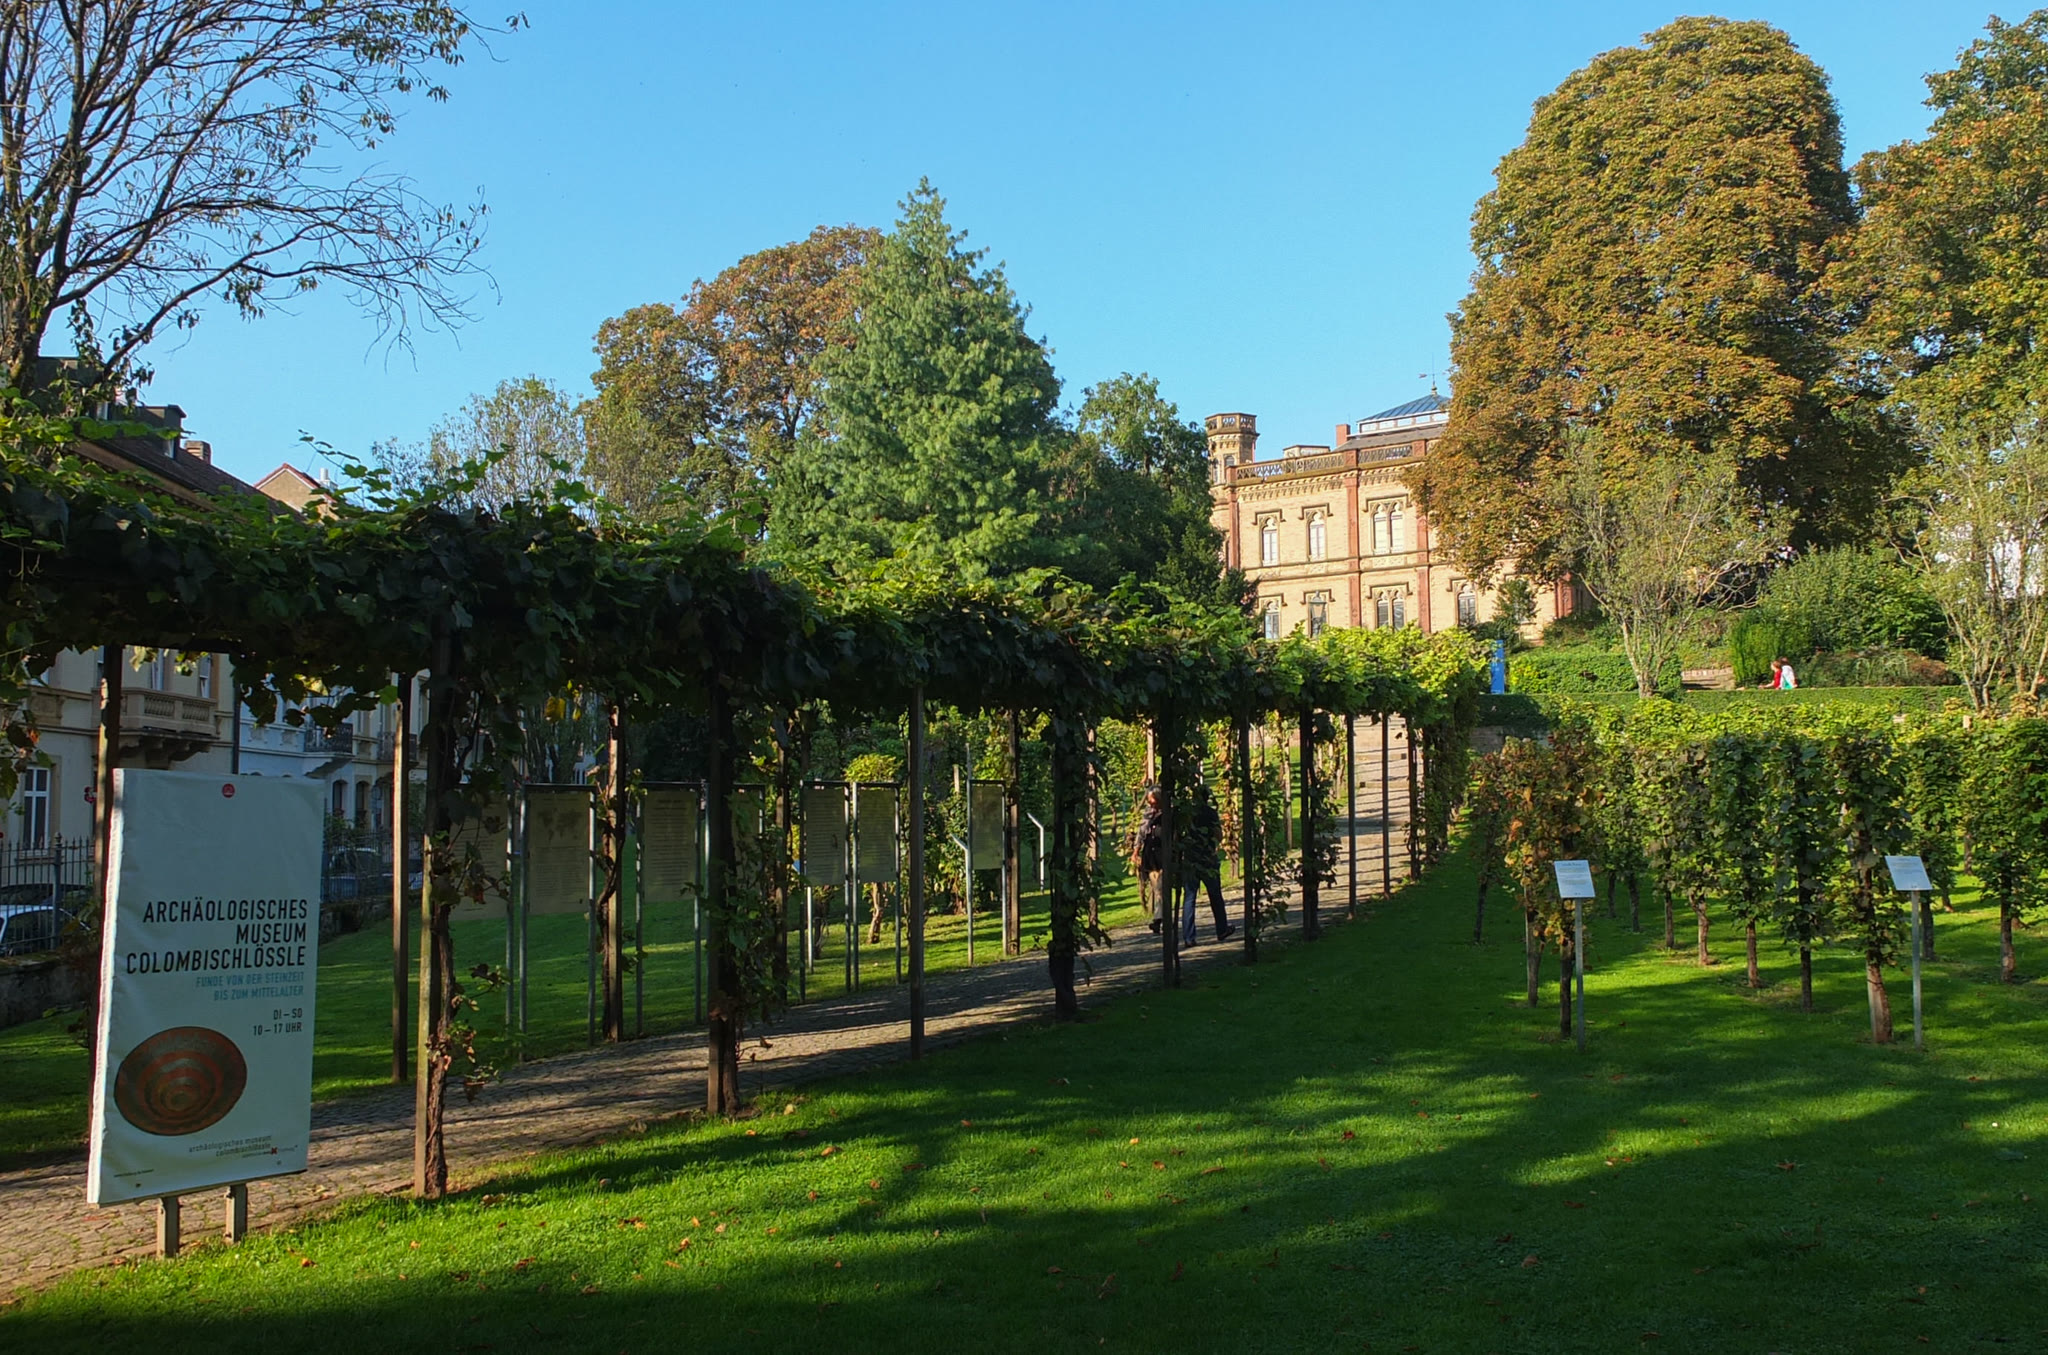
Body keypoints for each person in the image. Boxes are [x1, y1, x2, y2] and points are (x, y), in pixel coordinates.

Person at [1179, 784, 1236, 947]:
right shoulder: (1210, 813)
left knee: (1189, 898)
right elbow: (1219, 835)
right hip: (1208, 858)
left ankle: (1188, 937)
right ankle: (1222, 929)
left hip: (1190, 859)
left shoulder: (1187, 814)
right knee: (1215, 895)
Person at [1133, 786, 1167, 932]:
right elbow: (1141, 832)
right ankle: (1160, 919)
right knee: (1157, 888)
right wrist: (1136, 850)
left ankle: (1158, 919)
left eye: (1153, 800)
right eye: (1149, 801)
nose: (1150, 803)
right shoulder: (1148, 813)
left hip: (1164, 853)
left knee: (1160, 887)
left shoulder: (1168, 812)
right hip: (1150, 855)